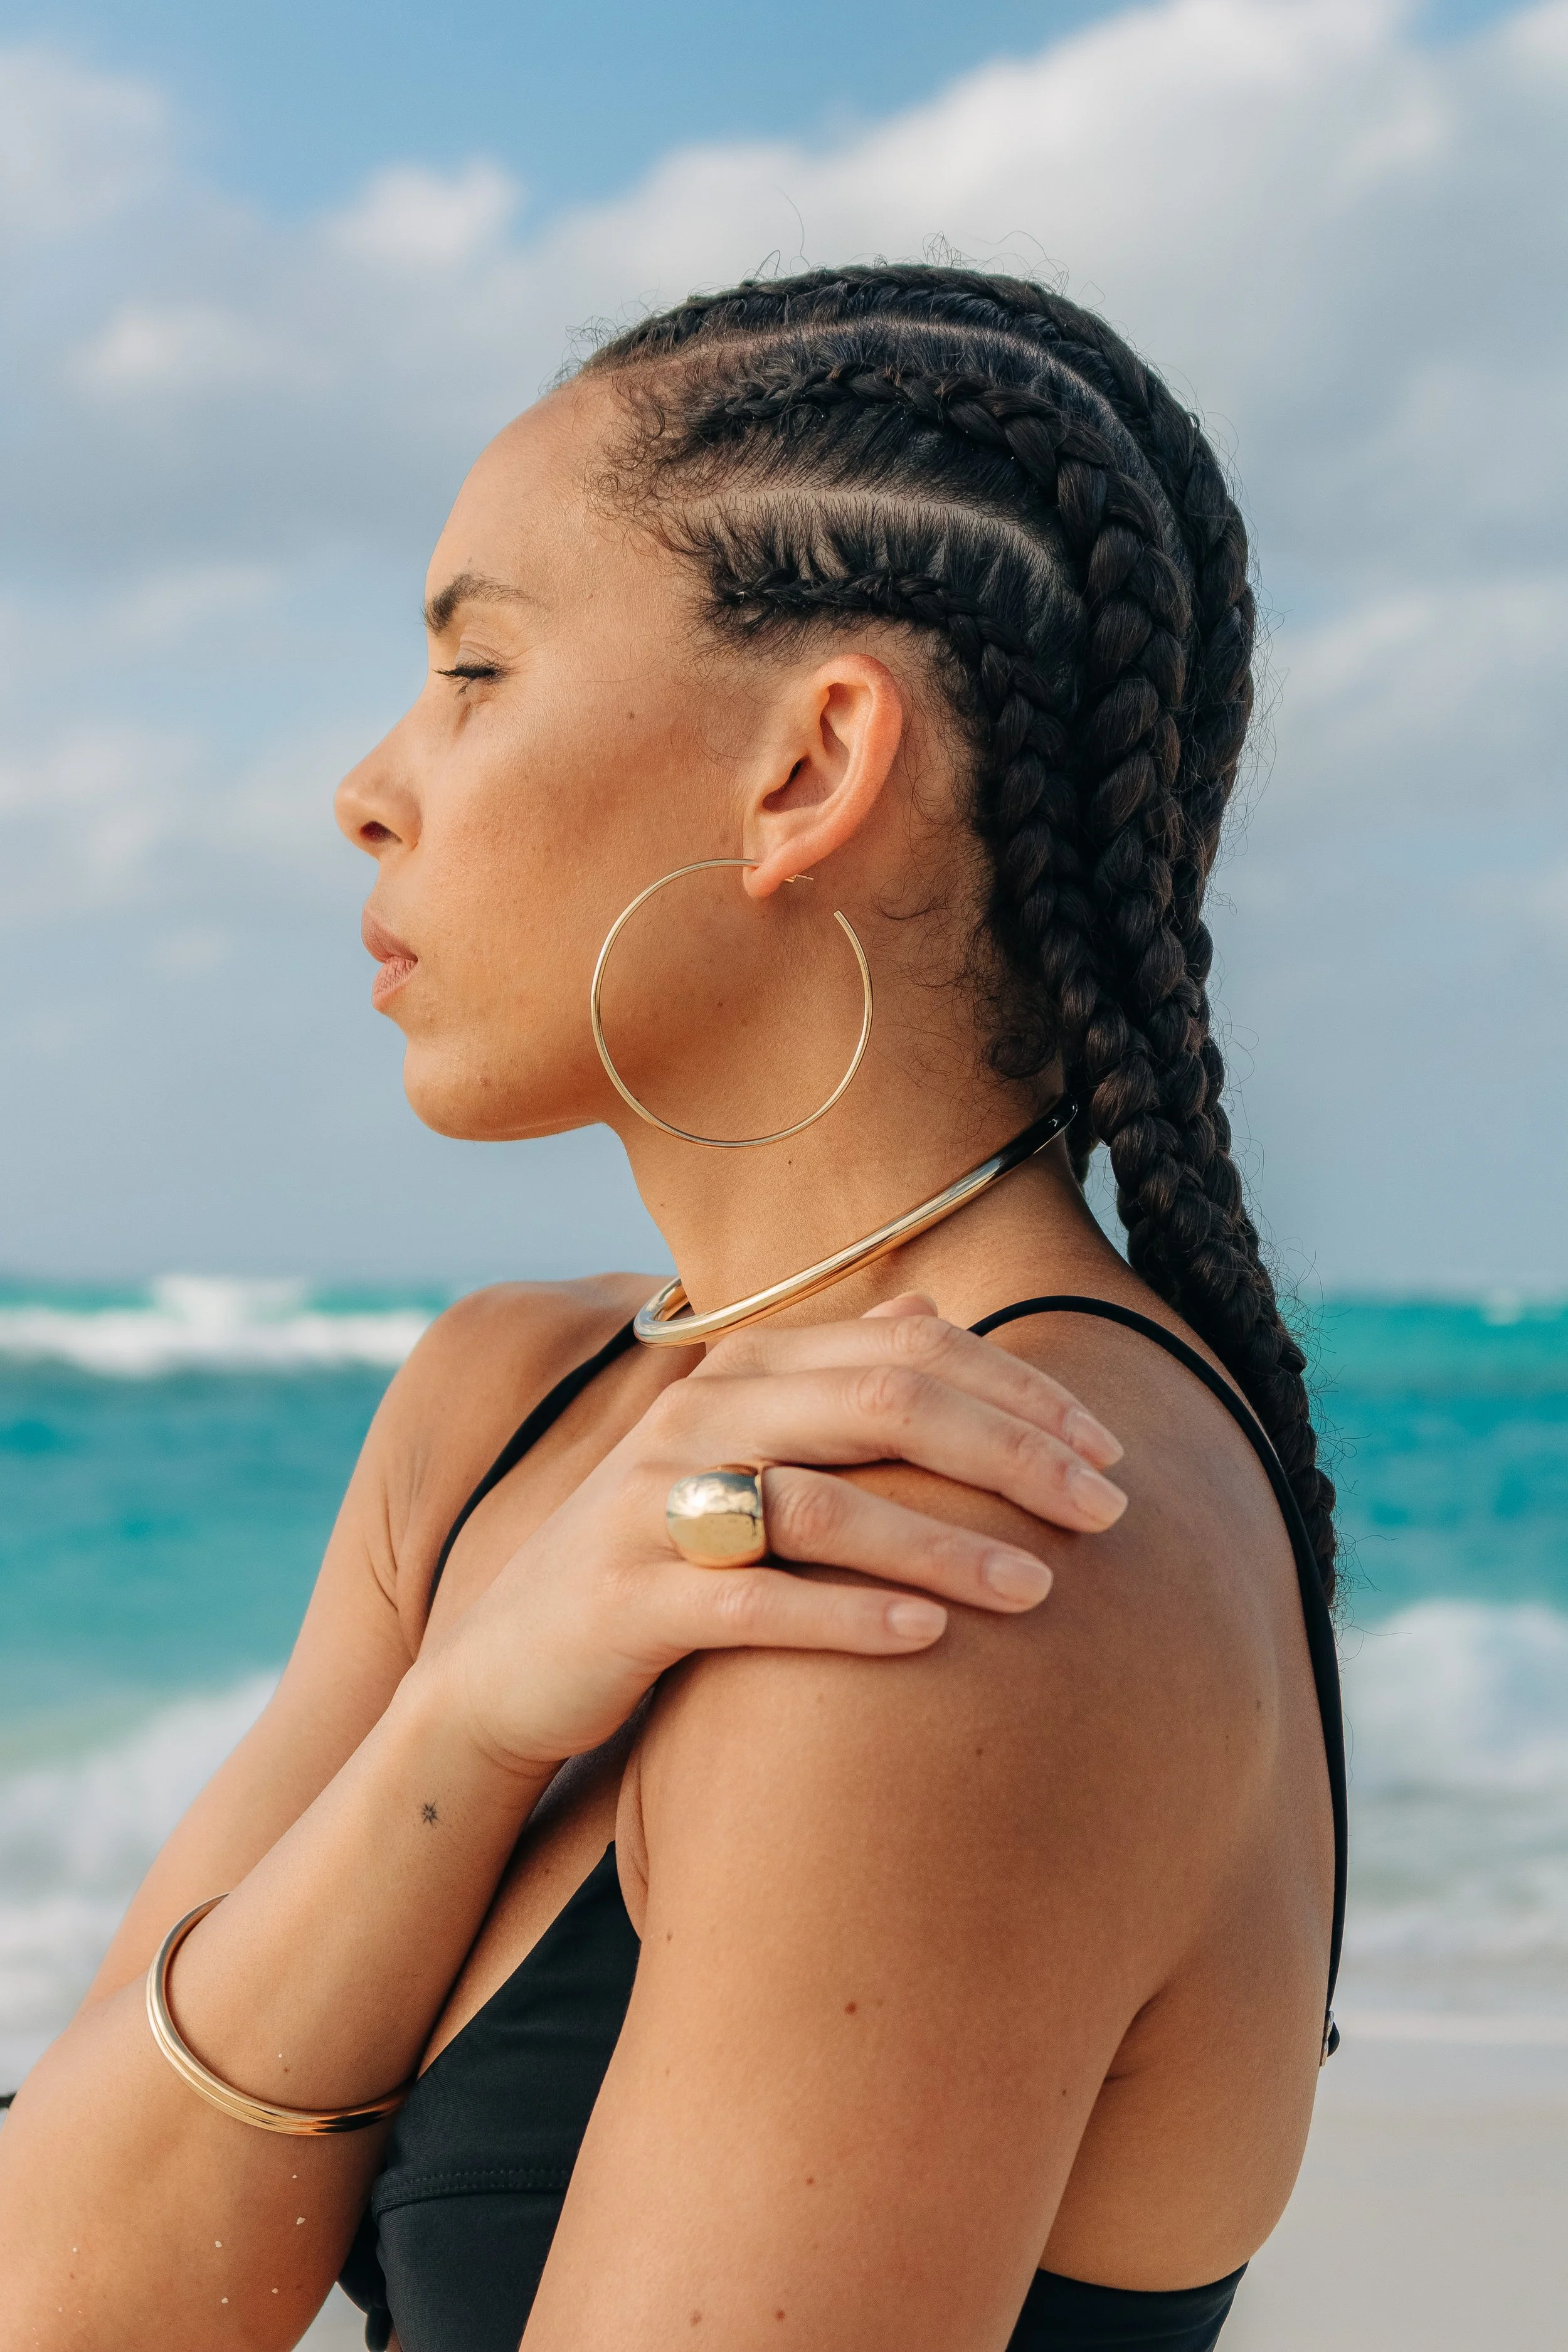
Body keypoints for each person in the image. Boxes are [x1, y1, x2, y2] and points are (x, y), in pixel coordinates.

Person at [0, 265, 1343, 2352]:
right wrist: (467, 1712)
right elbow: (63, 2301)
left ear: (807, 766)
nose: (370, 784)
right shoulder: (507, 1409)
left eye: (472, 670)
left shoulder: (967, 1542)